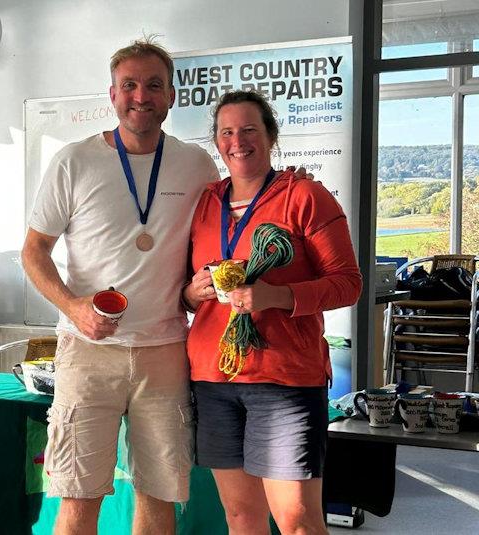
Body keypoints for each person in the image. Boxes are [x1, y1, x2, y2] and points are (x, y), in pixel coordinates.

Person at [22, 37, 220, 534]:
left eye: (154, 85)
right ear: (111, 95)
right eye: (128, 85)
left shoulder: (196, 165)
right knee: (77, 493)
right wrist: (73, 306)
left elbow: (232, 220)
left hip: (166, 351)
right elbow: (33, 251)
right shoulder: (74, 161)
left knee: (158, 493)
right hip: (88, 351)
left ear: (171, 96)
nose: (141, 96)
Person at [182, 90, 362, 535]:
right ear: (216, 142)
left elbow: (348, 283)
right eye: (226, 132)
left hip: (284, 381)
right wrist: (191, 294)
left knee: (297, 519)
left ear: (271, 136)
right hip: (214, 378)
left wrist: (276, 297)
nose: (237, 141)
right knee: (241, 517)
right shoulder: (203, 202)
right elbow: (180, 289)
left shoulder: (305, 196)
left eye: (249, 130)